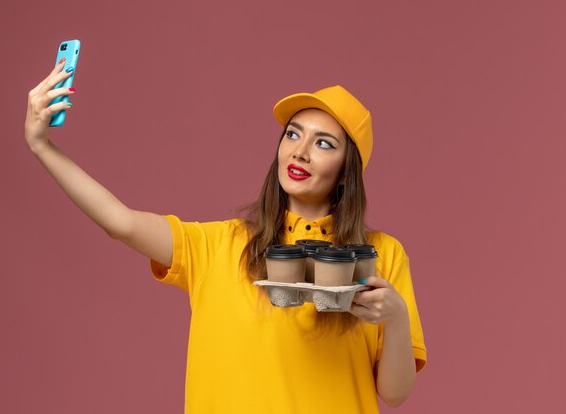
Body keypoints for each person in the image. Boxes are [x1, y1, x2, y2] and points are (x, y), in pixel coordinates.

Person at [25, 59, 427, 414]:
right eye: (292, 134)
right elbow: (121, 223)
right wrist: (42, 146)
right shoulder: (220, 245)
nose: (299, 152)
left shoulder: (380, 257)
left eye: (323, 144)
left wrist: (394, 318)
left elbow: (394, 393)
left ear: (347, 171)